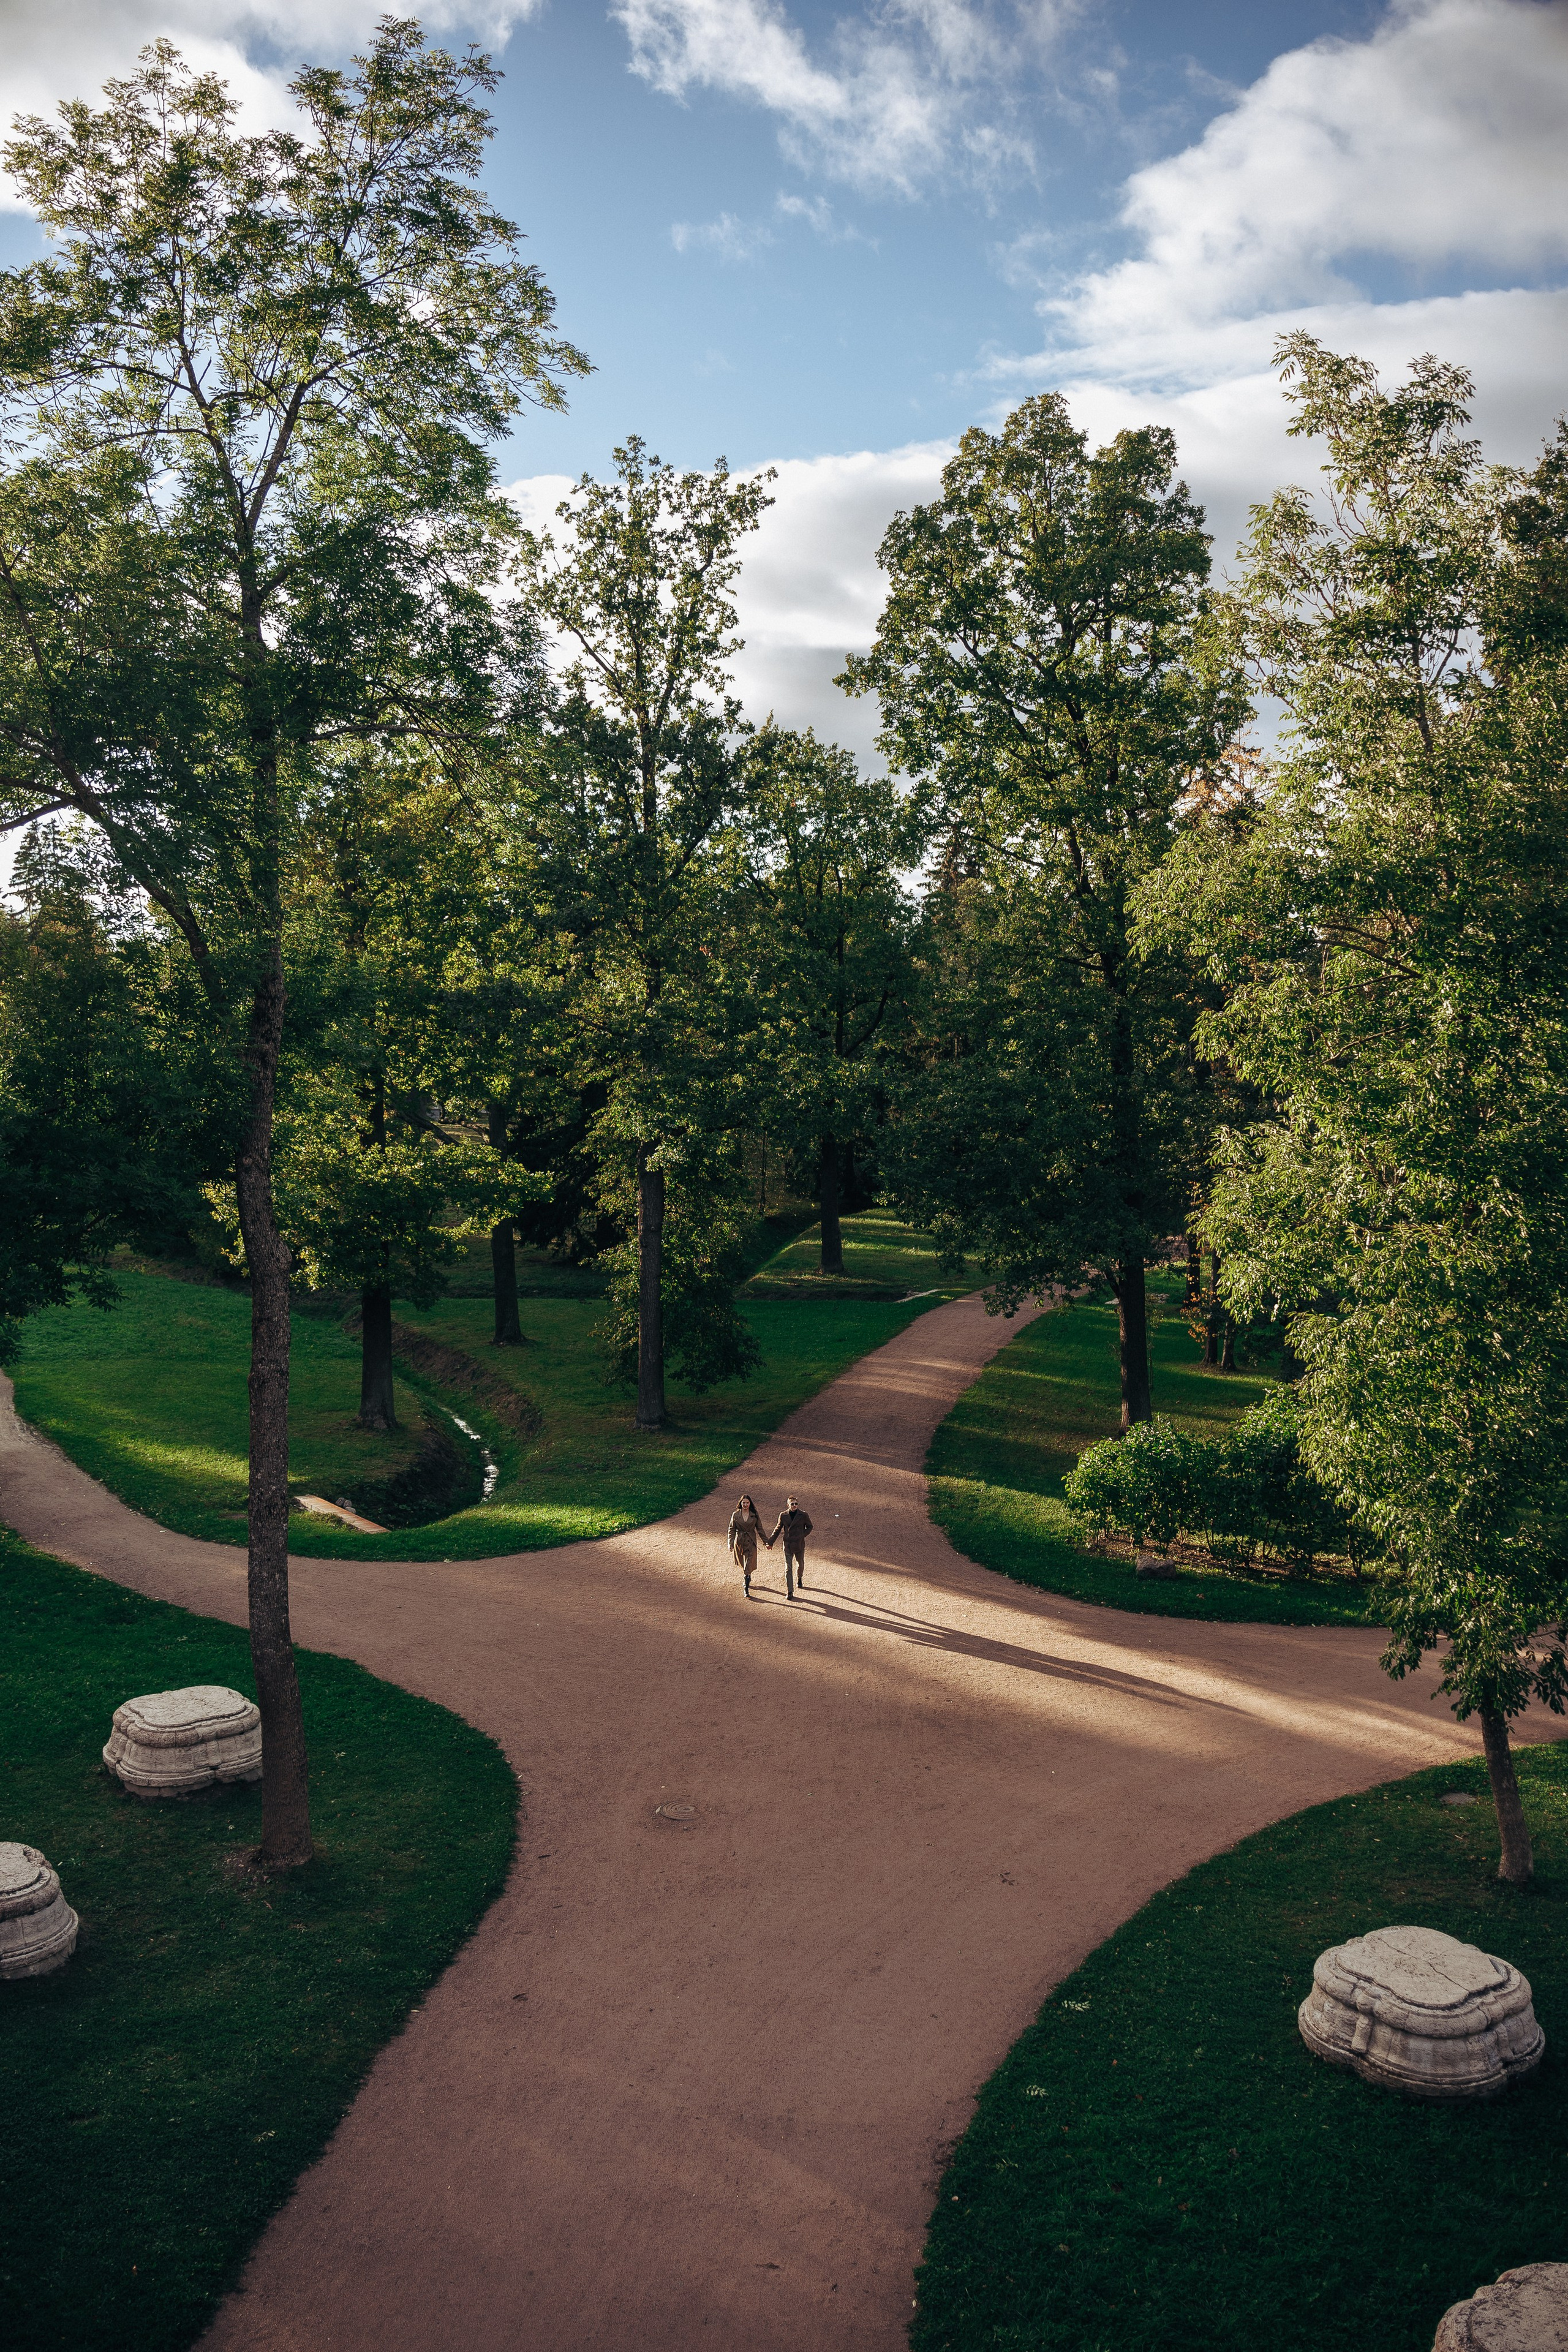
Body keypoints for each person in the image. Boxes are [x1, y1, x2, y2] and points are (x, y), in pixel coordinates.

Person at [766, 1494, 813, 1599]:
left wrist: (802, 1535)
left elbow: (810, 1526)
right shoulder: (783, 1516)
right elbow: (777, 1529)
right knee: (788, 1568)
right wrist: (770, 1542)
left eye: (796, 1504)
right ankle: (790, 1591)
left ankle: (799, 1578)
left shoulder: (804, 1515)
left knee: (800, 1564)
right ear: (788, 1505)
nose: (795, 1505)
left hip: (799, 1544)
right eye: (792, 1504)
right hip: (788, 1545)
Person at [727, 1492, 764, 1599]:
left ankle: (746, 1587)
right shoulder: (735, 1515)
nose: (746, 1505)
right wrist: (730, 1543)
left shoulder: (754, 1515)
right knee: (744, 1564)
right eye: (744, 1503)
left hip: (751, 1542)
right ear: (741, 1503)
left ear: (750, 1504)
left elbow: (760, 1529)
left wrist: (766, 1542)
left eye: (747, 1503)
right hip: (739, 1542)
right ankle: (748, 1577)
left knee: (748, 1564)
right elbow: (731, 1530)